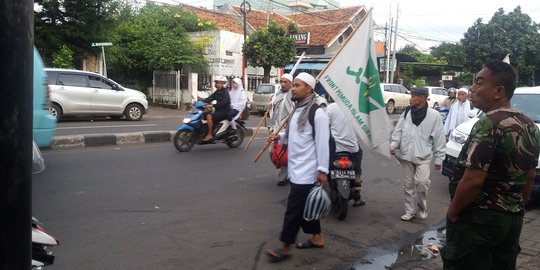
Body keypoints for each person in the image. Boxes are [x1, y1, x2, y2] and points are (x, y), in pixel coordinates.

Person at [442, 60, 540, 269]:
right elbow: (530, 176)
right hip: (511, 221)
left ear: (498, 92)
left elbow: (473, 180)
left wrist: (454, 211)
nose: (472, 88)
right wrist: (515, 207)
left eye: (479, 83)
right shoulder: (529, 125)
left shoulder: (489, 124)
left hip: (480, 221)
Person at [265, 72, 330, 262]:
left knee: (293, 209)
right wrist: (279, 137)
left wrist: (323, 170)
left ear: (309, 89)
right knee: (304, 207)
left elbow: (323, 143)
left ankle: (285, 247)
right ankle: (317, 238)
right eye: (292, 85)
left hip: (308, 171)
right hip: (295, 168)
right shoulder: (296, 109)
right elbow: (292, 133)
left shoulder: (317, 112)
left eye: (297, 85)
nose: (293, 88)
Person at [390, 87, 446, 221]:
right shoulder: (407, 112)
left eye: (413, 96)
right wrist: (393, 144)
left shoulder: (434, 115)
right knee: (408, 185)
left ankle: (421, 207)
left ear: (422, 98)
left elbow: (439, 137)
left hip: (423, 156)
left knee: (422, 183)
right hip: (406, 154)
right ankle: (410, 211)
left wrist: (439, 159)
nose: (410, 99)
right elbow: (399, 130)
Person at [326, 100, 365, 207]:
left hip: (335, 147)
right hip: (352, 147)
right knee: (359, 153)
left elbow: (325, 126)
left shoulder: (331, 108)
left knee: (326, 166)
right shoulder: (355, 107)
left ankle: (325, 183)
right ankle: (357, 176)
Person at [270, 73, 294, 186]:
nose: (283, 84)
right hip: (277, 128)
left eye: (285, 82)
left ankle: (284, 177)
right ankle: (287, 173)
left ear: (291, 83)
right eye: (281, 82)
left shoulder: (294, 96)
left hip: (289, 129)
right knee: (273, 153)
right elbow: (274, 112)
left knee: (284, 154)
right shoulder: (278, 95)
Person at [202, 76, 231, 141]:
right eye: (216, 82)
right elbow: (210, 98)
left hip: (224, 112)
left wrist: (212, 105)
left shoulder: (225, 92)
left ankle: (210, 135)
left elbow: (224, 102)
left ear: (224, 84)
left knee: (209, 116)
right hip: (218, 111)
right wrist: (200, 103)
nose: (217, 84)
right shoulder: (217, 92)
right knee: (203, 114)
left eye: (220, 83)